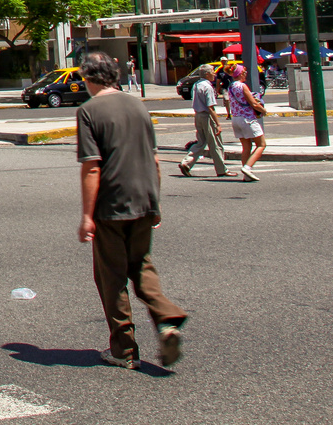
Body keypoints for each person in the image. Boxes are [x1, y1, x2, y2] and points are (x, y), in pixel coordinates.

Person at [75, 50, 186, 370]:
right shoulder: (138, 104)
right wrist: (156, 203)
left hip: (111, 205)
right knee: (142, 266)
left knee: (111, 277)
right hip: (144, 198)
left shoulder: (89, 110)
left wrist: (86, 216)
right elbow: (153, 158)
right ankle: (166, 319)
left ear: (88, 78)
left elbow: (92, 167)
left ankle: (124, 349)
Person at [178, 65, 228, 178]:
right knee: (215, 143)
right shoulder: (208, 87)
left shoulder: (196, 85)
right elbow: (211, 107)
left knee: (201, 142)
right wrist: (218, 124)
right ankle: (221, 169)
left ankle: (186, 162)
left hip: (198, 115)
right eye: (212, 72)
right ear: (206, 74)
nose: (215, 74)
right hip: (206, 116)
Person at [224, 64, 266, 183]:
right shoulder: (242, 86)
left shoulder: (231, 86)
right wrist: (264, 111)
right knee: (261, 144)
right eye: (244, 72)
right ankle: (248, 167)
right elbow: (253, 104)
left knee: (246, 147)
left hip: (236, 118)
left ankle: (246, 175)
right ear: (240, 74)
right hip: (247, 118)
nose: (246, 73)